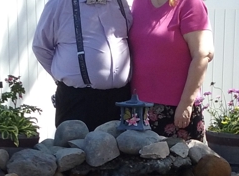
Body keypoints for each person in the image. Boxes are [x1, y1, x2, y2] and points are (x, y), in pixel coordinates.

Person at [32, 0, 133, 131]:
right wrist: (64, 74)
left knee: (123, 150)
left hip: (121, 99)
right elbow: (41, 47)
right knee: (75, 150)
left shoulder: (120, 3)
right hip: (78, 100)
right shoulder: (58, 4)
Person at [129, 0, 214, 141]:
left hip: (176, 110)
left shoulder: (190, 4)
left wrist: (186, 104)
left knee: (181, 162)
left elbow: (202, 55)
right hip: (139, 108)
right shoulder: (138, 3)